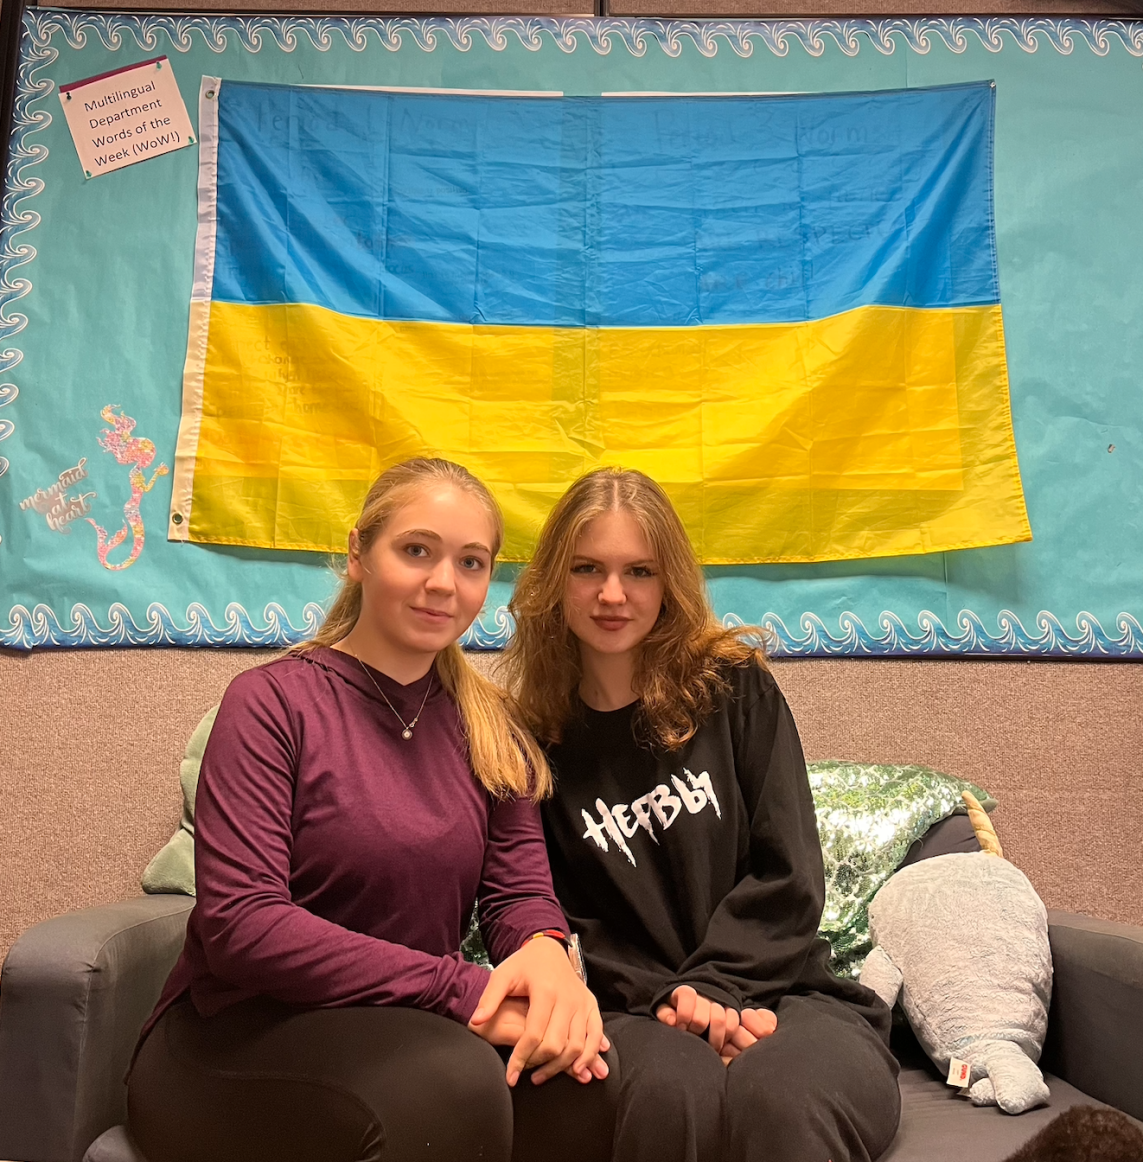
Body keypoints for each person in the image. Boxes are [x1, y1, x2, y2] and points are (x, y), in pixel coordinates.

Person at [127, 457, 614, 1162]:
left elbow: (517, 894)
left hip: (405, 1023)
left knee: (580, 1074)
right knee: (452, 1086)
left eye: (471, 563)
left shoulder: (492, 726)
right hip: (231, 1035)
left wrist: (545, 960)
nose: (443, 583)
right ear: (358, 553)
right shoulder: (270, 704)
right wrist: (462, 988)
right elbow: (244, 926)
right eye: (416, 550)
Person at [502, 467, 901, 1162]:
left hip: (790, 991)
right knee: (668, 1096)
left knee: (783, 1100)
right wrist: (678, 1006)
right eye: (586, 568)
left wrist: (717, 988)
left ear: (670, 582)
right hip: (634, 1013)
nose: (611, 594)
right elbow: (557, 919)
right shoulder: (528, 741)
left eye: (639, 571)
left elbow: (790, 873)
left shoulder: (735, 689)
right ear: (551, 582)